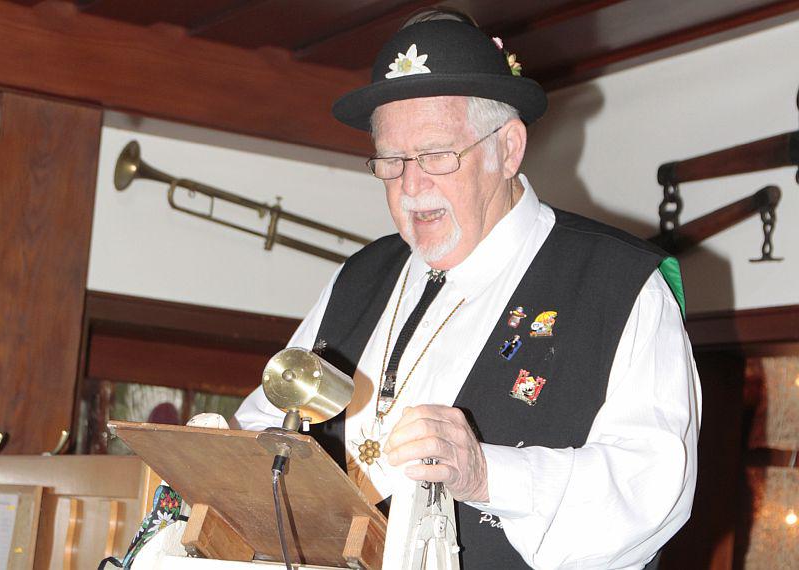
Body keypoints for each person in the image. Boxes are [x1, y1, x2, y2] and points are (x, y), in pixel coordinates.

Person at [235, 9, 701, 569]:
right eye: (391, 160)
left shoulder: (617, 284)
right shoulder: (359, 277)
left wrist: (486, 474)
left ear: (507, 149)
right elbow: (265, 421)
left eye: (435, 155)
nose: (411, 184)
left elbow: (652, 489)